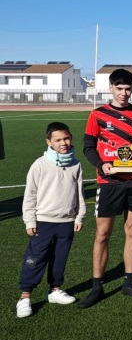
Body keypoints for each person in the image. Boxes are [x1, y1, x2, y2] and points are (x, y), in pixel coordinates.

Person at [78, 68, 132, 308]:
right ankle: (97, 286)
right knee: (102, 234)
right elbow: (88, 146)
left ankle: (129, 282)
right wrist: (101, 165)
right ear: (110, 88)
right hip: (108, 183)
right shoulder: (97, 115)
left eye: (128, 88)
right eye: (119, 88)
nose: (124, 93)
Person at [17, 122, 86, 318]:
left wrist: (79, 215)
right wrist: (30, 220)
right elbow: (30, 195)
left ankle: (55, 290)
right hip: (43, 222)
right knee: (36, 258)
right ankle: (25, 296)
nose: (63, 143)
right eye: (58, 140)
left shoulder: (76, 164)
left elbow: (79, 193)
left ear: (71, 137)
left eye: (66, 138)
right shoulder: (40, 164)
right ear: (49, 142)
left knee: (60, 258)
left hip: (67, 222)